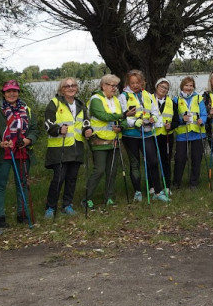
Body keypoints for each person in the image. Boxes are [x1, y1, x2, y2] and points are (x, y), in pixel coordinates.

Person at [43, 77, 94, 217]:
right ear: (62, 89)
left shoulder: (80, 105)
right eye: (67, 86)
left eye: (73, 85)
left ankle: (67, 205)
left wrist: (88, 131)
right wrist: (58, 130)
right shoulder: (54, 103)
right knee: (58, 178)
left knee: (72, 178)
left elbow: (85, 124)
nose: (71, 88)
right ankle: (50, 208)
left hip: (76, 147)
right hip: (60, 148)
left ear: (77, 88)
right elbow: (47, 124)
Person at [0, 80, 36, 228]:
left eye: (15, 91)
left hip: (21, 151)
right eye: (8, 91)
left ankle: (22, 214)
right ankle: (0, 217)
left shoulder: (26, 109)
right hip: (3, 153)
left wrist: (28, 140)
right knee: (0, 185)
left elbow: (34, 130)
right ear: (3, 93)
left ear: (18, 92)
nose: (12, 94)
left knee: (22, 184)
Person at [121, 70, 169, 202]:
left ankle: (157, 192)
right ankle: (137, 192)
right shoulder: (123, 96)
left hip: (147, 132)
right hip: (131, 134)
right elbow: (122, 115)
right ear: (128, 83)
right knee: (135, 163)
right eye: (132, 83)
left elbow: (155, 111)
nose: (135, 85)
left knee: (153, 161)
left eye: (138, 82)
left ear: (142, 82)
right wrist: (133, 122)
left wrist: (154, 117)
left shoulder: (147, 94)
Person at [86, 74, 133, 208]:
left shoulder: (116, 100)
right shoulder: (96, 99)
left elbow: (123, 119)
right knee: (99, 170)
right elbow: (103, 116)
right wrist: (123, 115)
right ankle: (87, 197)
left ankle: (109, 197)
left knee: (112, 170)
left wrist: (121, 126)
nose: (114, 88)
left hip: (114, 139)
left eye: (115, 86)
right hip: (99, 140)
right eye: (111, 85)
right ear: (103, 85)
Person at [173, 76, 207, 189]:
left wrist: (203, 120)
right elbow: (174, 117)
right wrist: (182, 120)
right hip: (183, 133)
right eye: (186, 85)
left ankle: (193, 182)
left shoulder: (198, 98)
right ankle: (176, 182)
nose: (189, 88)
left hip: (197, 132)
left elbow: (204, 114)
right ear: (182, 86)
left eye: (191, 85)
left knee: (196, 158)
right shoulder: (176, 100)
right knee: (180, 158)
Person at [151, 78, 176, 190]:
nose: (163, 89)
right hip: (151, 135)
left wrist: (171, 126)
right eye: (161, 86)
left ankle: (167, 186)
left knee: (166, 160)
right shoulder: (148, 99)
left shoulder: (171, 102)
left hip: (166, 136)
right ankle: (152, 186)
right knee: (152, 161)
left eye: (166, 88)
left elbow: (177, 120)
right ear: (157, 87)